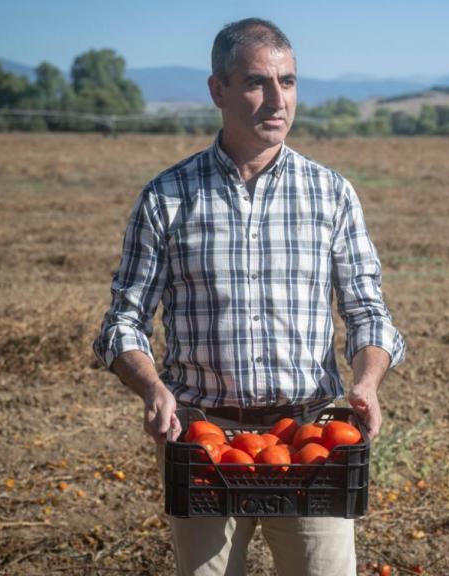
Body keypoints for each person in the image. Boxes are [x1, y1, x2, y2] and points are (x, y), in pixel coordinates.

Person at [92, 17, 405, 576]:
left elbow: (368, 312)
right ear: (218, 90)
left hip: (310, 440)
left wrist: (367, 382)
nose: (276, 99)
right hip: (203, 447)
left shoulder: (330, 194)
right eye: (257, 82)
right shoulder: (167, 197)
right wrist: (152, 389)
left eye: (287, 81)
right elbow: (123, 323)